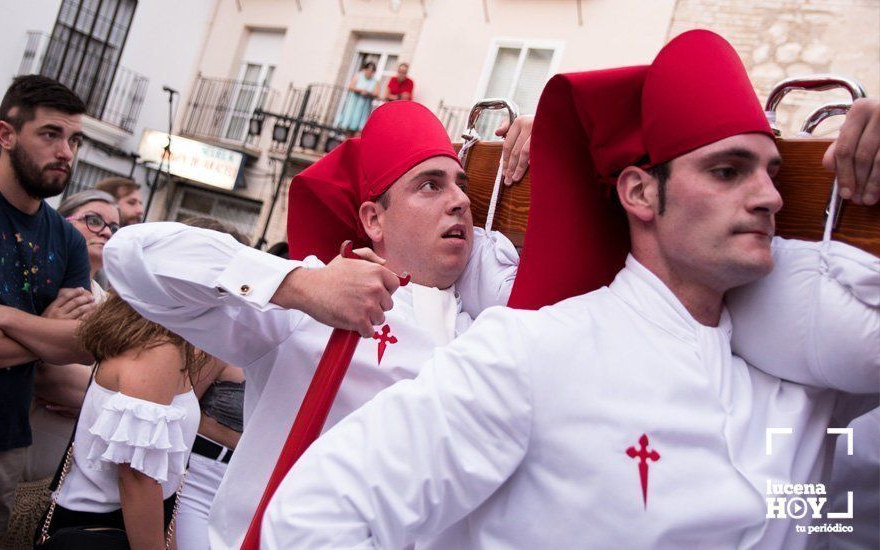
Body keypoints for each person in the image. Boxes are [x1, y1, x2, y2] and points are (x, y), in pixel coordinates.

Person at [259, 30, 879, 549]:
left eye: (772, 174)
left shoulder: (812, 391)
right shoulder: (534, 354)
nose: (768, 197)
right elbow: (313, 517)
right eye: (726, 171)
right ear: (639, 193)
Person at [102, 100, 533, 549]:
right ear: (374, 219)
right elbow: (130, 257)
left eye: (462, 186)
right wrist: (300, 287)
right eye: (430, 186)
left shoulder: (487, 328)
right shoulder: (306, 309)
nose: (461, 200)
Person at [0, 74, 92, 544]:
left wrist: (7, 318)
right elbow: (57, 343)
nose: (66, 152)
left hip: (5, 442)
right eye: (51, 134)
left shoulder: (68, 238)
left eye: (73, 139)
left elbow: (80, 344)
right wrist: (46, 333)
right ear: (6, 135)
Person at [36, 293, 208, 549]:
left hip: (108, 524)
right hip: (104, 530)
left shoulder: (151, 338)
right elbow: (137, 476)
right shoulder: (157, 348)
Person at [0, 190, 120, 548]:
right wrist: (110, 400)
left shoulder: (109, 303)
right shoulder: (59, 293)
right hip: (23, 465)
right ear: (60, 226)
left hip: (64, 480)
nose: (106, 232)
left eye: (114, 226)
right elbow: (54, 379)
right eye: (93, 220)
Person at [175, 217, 248, 550]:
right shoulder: (213, 337)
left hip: (247, 487)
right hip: (198, 479)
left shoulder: (257, 329)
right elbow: (179, 410)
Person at [336, 62, 380, 137]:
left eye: (372, 71)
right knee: (349, 129)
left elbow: (376, 94)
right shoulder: (358, 76)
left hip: (364, 108)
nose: (369, 72)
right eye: (368, 70)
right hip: (353, 106)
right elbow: (350, 87)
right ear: (365, 69)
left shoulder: (375, 81)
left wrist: (368, 93)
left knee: (359, 130)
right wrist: (360, 90)